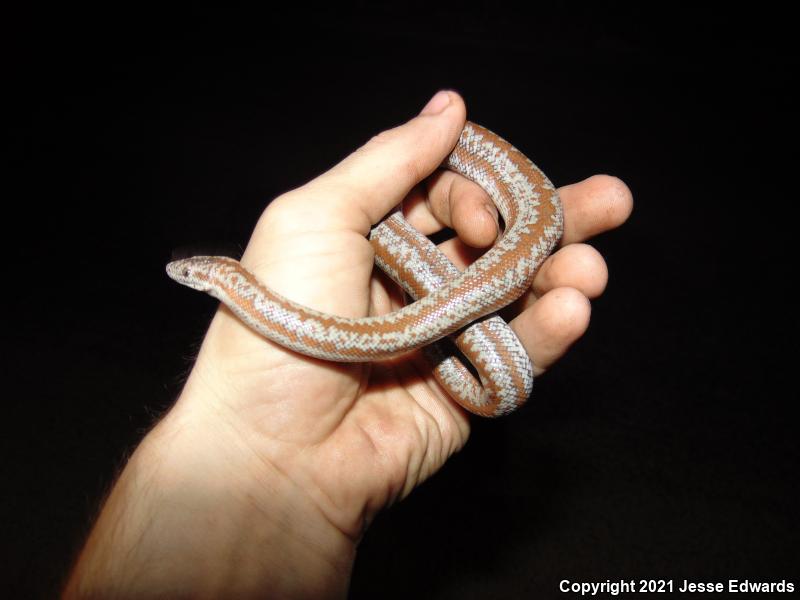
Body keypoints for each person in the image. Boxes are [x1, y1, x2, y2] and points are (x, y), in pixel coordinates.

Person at [64, 91, 633, 598]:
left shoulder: (364, 282)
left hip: (486, 247)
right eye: (193, 275)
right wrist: (246, 456)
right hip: (449, 321)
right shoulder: (288, 295)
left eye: (193, 274)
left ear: (218, 275)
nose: (187, 276)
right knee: (478, 311)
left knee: (511, 262)